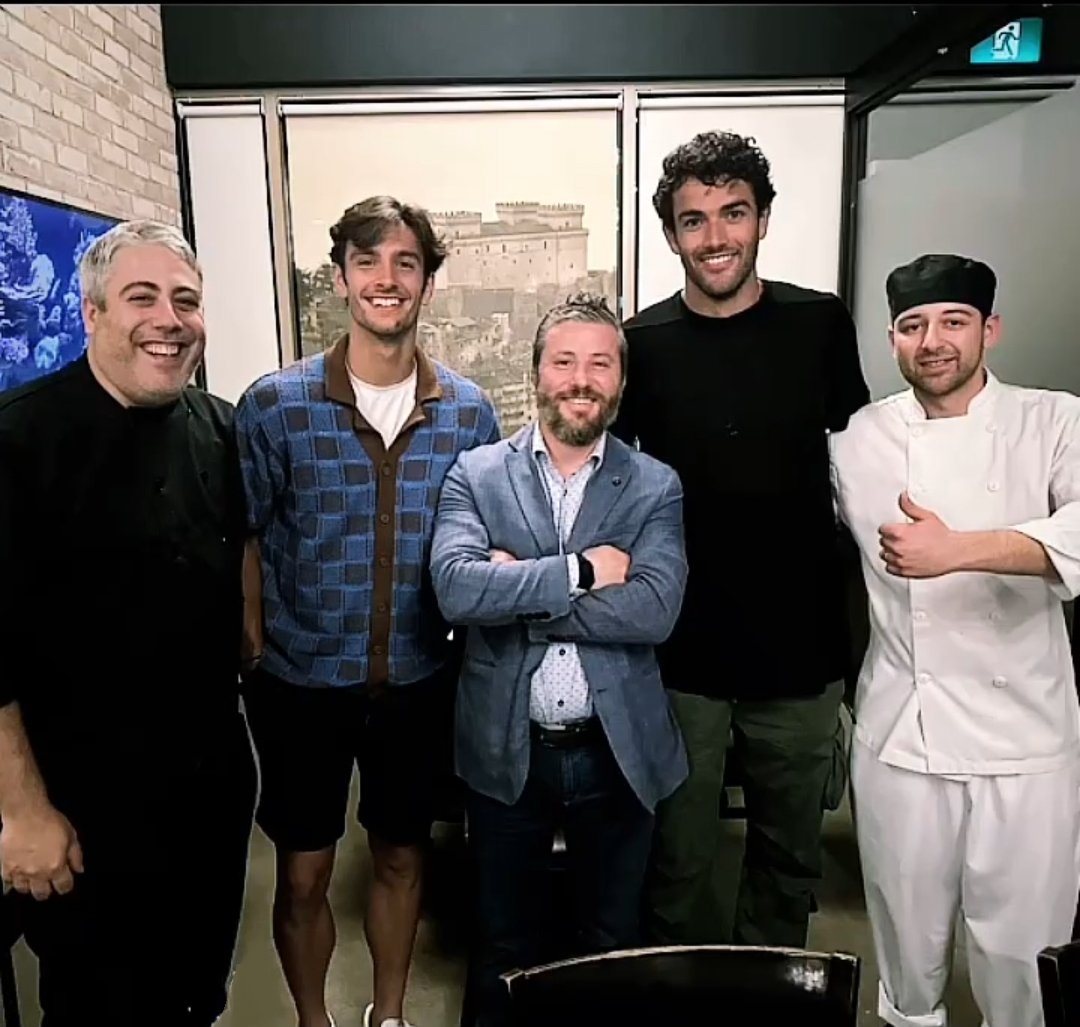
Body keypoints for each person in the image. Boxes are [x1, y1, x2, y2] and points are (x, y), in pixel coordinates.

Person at [236, 196, 501, 1027]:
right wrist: (250, 645)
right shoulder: (275, 405)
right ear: (342, 278)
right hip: (299, 683)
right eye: (368, 262)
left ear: (426, 280)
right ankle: (315, 1017)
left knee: (400, 856)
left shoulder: (468, 411)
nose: (386, 280)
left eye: (406, 264)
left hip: (420, 678)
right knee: (305, 872)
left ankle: (387, 1013)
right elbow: (242, 533)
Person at [608, 130, 870, 948]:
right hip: (682, 650)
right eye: (694, 220)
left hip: (800, 650)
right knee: (677, 855)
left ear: (762, 219)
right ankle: (674, 1002)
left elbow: (859, 459)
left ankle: (771, 1003)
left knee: (787, 862)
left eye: (733, 214)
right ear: (671, 233)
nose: (715, 237)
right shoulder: (640, 344)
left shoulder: (819, 323)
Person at [0, 220, 257, 1025]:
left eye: (186, 300)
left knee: (197, 993)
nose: (168, 319)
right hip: (83, 802)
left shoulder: (219, 430)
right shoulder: (16, 439)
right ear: (91, 313)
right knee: (102, 1005)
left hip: (208, 790)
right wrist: (22, 809)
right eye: (141, 297)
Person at [830, 253, 1080, 1027]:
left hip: (1026, 743)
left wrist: (958, 549)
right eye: (912, 326)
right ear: (893, 340)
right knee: (906, 951)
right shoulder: (857, 439)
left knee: (1023, 959)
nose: (932, 341)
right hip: (903, 735)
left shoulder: (1054, 420)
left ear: (989, 330)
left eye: (952, 322)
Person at [430, 292, 689, 1027]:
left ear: (620, 381)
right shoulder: (476, 474)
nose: (582, 378)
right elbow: (454, 589)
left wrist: (514, 590)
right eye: (565, 360)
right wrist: (579, 572)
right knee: (503, 941)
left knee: (612, 940)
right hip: (506, 746)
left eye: (600, 364)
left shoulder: (653, 484)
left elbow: (655, 609)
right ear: (536, 371)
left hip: (618, 749)